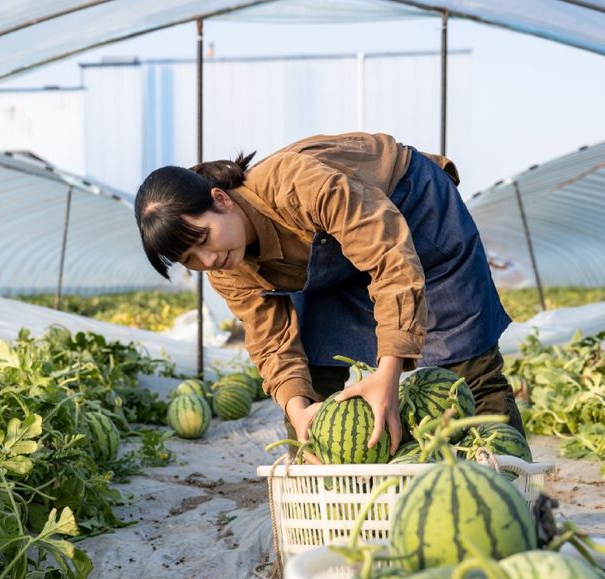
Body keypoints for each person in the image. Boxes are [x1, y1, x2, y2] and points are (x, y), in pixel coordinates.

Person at [135, 131, 520, 453]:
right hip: (332, 261)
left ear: (221, 199)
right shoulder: (228, 268)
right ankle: (325, 492)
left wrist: (389, 373)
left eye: (203, 238)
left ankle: (508, 489)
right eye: (191, 259)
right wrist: (299, 411)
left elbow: (388, 257)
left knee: (465, 365)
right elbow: (272, 346)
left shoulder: (293, 183)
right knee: (312, 380)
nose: (209, 258)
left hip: (414, 213)